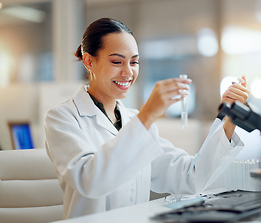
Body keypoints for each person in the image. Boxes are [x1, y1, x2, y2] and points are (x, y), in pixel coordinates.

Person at [44, 18, 249, 219]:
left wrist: (228, 119)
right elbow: (90, 181)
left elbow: (190, 177)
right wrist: (148, 113)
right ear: (89, 61)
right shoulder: (62, 118)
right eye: (117, 61)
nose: (128, 72)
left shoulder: (135, 120)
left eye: (134, 62)